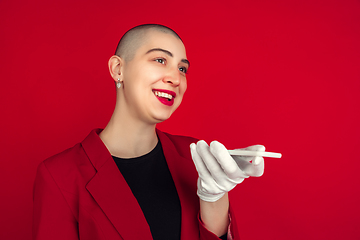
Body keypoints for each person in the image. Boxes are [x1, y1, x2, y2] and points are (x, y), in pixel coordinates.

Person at [33, 24, 265, 240]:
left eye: (182, 68)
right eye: (160, 59)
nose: (175, 78)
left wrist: (215, 197)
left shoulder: (197, 156)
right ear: (118, 69)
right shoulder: (59, 176)